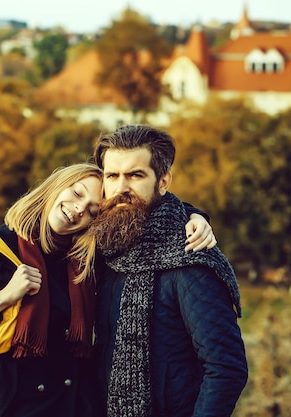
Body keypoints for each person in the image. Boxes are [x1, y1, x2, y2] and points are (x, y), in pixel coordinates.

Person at [0, 162, 215, 417]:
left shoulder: (86, 261)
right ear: (56, 186)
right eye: (76, 193)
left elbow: (146, 215)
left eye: (92, 210)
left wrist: (194, 215)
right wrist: (0, 300)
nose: (78, 210)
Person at [90, 125, 248, 417]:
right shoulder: (104, 248)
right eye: (112, 176)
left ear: (163, 182)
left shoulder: (189, 258)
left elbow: (226, 368)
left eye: (135, 175)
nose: (121, 187)